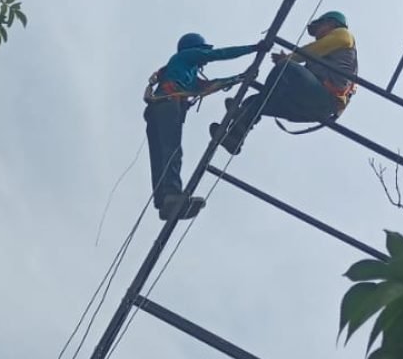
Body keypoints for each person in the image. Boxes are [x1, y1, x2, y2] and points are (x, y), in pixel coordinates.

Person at [145, 33, 263, 221]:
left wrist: (240, 77)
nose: (204, 60)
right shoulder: (184, 57)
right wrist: (253, 48)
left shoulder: (185, 72)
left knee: (161, 154)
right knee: (171, 151)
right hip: (168, 104)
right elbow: (219, 54)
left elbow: (209, 86)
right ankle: (172, 195)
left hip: (158, 109)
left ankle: (165, 200)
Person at [210, 11, 357, 155]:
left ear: (331, 23)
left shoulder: (343, 34)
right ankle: (234, 138)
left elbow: (314, 50)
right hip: (312, 106)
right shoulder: (325, 55)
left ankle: (245, 115)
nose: (316, 33)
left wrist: (288, 59)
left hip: (326, 97)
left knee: (284, 67)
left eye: (319, 27)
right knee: (253, 102)